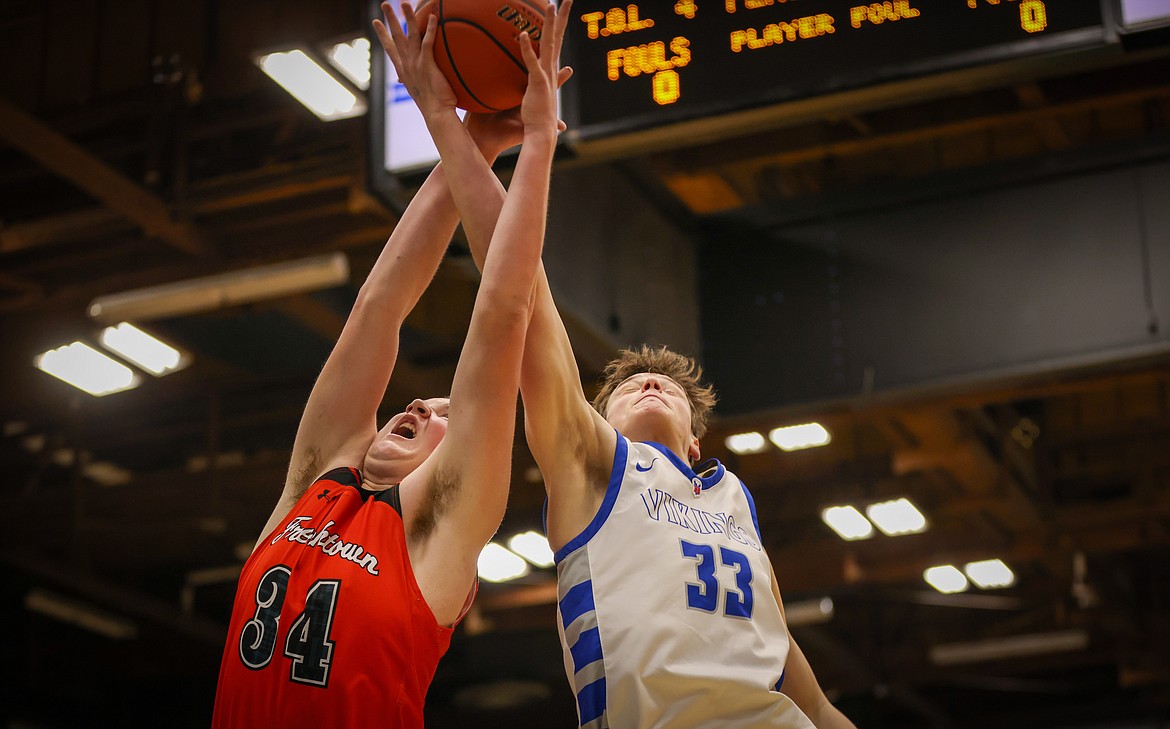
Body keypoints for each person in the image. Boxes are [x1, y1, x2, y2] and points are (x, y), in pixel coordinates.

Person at [428, 31, 857, 729]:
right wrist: (454, 127)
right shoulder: (593, 466)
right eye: (629, 388)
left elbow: (808, 695)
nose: (651, 386)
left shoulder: (734, 506)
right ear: (597, 421)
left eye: (670, 390)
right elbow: (519, 295)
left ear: (695, 443)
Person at [210, 1, 571, 725]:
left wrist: (535, 142)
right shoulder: (314, 481)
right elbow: (380, 303)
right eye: (419, 402)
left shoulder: (441, 527)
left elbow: (503, 312)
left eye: (443, 413)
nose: (419, 406)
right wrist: (464, 138)